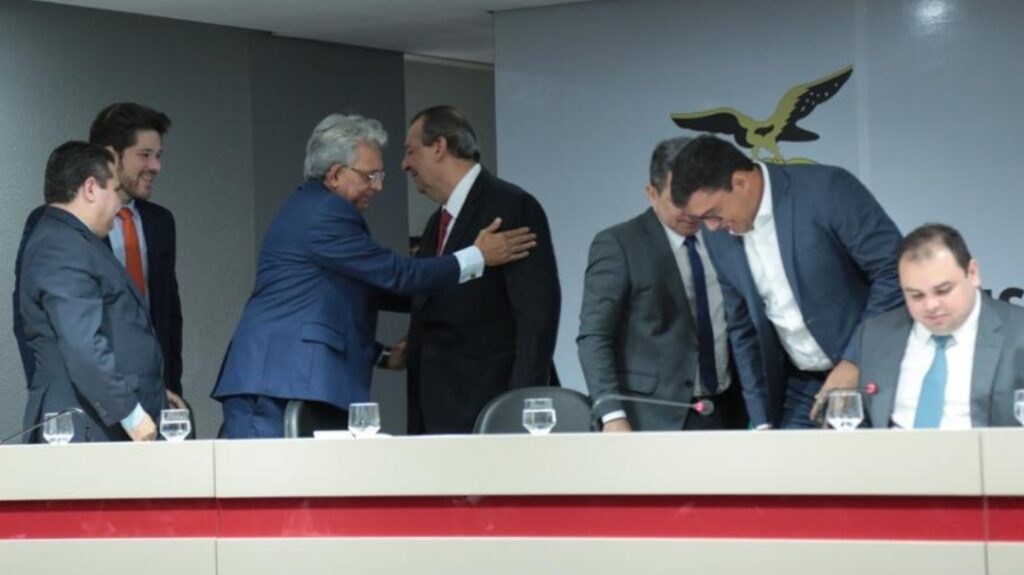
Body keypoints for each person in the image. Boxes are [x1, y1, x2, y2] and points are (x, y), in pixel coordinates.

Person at [212, 113, 536, 439]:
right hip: (279, 387)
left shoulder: (312, 208)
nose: (378, 186)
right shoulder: (327, 213)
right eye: (370, 176)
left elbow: (348, 295)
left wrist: (383, 354)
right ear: (335, 174)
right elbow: (397, 275)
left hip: (293, 382)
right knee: (270, 473)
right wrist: (477, 256)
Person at [670, 135, 903, 428]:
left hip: (873, 374)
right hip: (802, 388)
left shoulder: (827, 190)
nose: (712, 227)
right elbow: (743, 330)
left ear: (740, 182)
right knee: (786, 458)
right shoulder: (718, 236)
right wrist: (762, 420)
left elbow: (892, 272)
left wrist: (855, 360)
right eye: (702, 219)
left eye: (713, 213)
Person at [402, 105, 561, 434]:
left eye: (410, 151)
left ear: (439, 147)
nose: (405, 164)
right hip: (436, 413)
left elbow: (537, 316)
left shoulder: (512, 206)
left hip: (491, 409)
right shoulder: (436, 223)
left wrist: (522, 406)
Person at [13, 103, 184, 405]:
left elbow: (168, 314)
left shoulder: (161, 222)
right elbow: (33, 320)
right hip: (85, 401)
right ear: (111, 156)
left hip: (152, 394)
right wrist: (58, 394)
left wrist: (167, 386)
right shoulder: (57, 226)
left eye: (159, 155)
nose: (156, 166)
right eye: (144, 155)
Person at [578, 137, 747, 431]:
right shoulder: (619, 244)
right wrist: (612, 415)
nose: (692, 210)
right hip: (649, 416)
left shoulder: (728, 238)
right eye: (678, 199)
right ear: (652, 194)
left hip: (727, 410)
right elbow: (595, 336)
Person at [19, 141, 164, 442]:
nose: (118, 205)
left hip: (99, 422)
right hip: (85, 424)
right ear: (90, 188)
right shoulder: (61, 245)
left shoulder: (75, 240)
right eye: (114, 190)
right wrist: (131, 414)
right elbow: (81, 343)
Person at [856, 224, 1024, 428]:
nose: (931, 305)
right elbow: (861, 419)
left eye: (943, 291)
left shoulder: (1018, 332)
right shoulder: (877, 334)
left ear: (972, 273)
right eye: (916, 295)